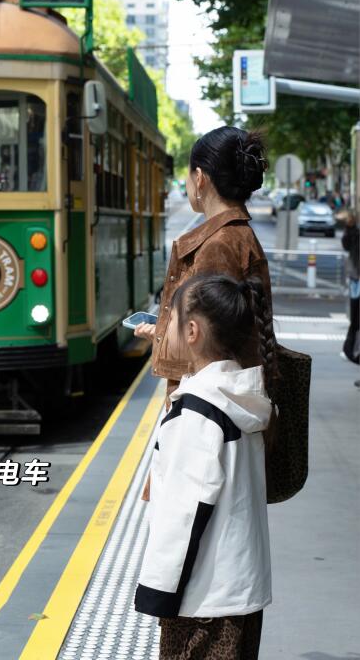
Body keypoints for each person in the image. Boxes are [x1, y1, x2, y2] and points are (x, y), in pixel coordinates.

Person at [134, 274, 276, 659]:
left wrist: (159, 592)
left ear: (192, 331)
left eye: (171, 318)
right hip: (241, 592)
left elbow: (184, 513)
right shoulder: (240, 396)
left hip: (202, 603)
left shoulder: (197, 412)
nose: (164, 327)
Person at [135, 126, 276, 502]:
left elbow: (207, 341)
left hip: (204, 416)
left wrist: (166, 335)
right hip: (220, 409)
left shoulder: (218, 245)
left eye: (188, 174)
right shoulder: (237, 235)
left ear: (200, 178)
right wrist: (163, 330)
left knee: (188, 523)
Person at [341, 211, 360, 381]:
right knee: (356, 322)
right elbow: (347, 245)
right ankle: (353, 352)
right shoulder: (356, 232)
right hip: (357, 281)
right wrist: (350, 227)